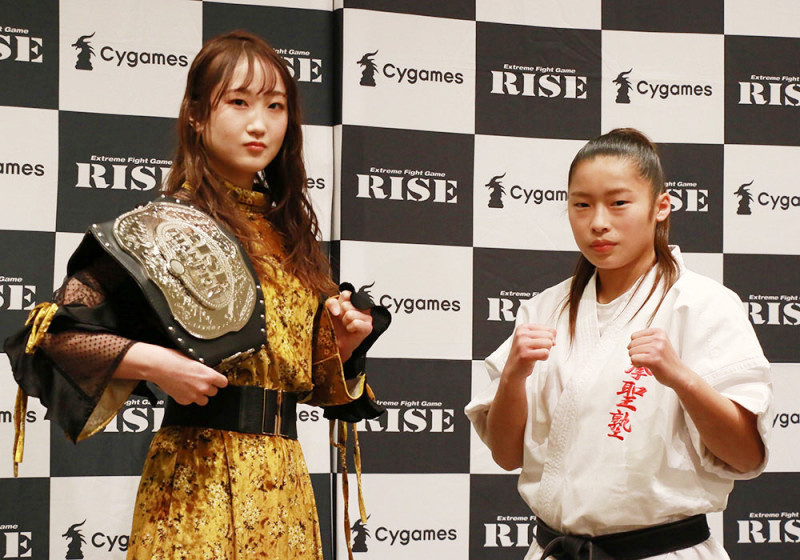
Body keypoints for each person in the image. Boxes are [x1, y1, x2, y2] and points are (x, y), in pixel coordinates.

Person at [6, 30, 388, 559]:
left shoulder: (291, 238)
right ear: (195, 116)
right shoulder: (161, 230)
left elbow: (307, 383)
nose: (259, 123)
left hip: (285, 491)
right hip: (195, 484)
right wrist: (159, 364)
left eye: (275, 106)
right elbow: (50, 335)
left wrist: (341, 348)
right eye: (238, 102)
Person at [465, 128, 772, 560]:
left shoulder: (703, 305)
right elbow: (505, 454)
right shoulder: (544, 309)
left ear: (660, 207)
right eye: (581, 205)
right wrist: (514, 375)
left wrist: (680, 377)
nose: (598, 223)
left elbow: (745, 457)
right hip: (556, 549)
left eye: (618, 203)